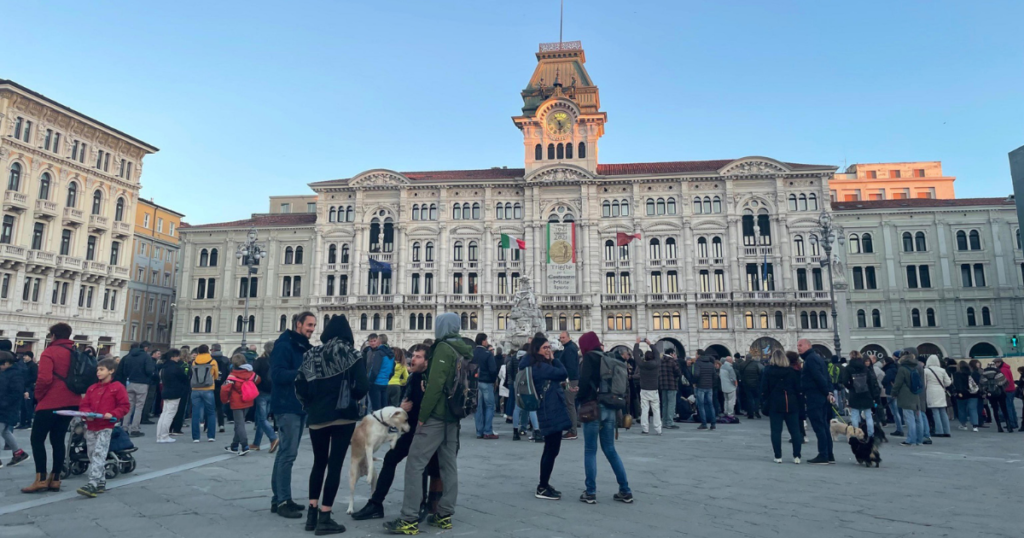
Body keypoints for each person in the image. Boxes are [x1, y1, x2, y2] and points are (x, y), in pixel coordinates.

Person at [384, 313, 467, 535]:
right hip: (453, 416)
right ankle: (444, 514)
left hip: (437, 415)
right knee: (448, 465)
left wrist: (423, 415)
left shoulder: (442, 349)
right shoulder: (464, 348)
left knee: (414, 463)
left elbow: (435, 386)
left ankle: (409, 518)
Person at [295, 315, 368, 535]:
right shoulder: (352, 354)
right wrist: (352, 397)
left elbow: (299, 384)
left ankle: (312, 513)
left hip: (317, 416)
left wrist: (310, 405)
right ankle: (325, 517)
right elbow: (363, 386)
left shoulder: (311, 354)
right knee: (334, 465)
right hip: (343, 416)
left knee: (318, 463)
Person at [352, 344, 437, 520]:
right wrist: (401, 408)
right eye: (413, 355)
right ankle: (376, 504)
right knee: (391, 459)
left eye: (418, 357)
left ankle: (422, 504)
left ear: (427, 362)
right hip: (410, 430)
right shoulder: (414, 377)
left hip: (425, 431)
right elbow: (406, 405)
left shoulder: (429, 380)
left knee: (421, 465)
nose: (413, 359)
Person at [23, 323, 82, 493]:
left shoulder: (49, 352)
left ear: (54, 335)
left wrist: (38, 396)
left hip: (51, 401)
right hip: (72, 401)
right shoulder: (75, 352)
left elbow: (44, 379)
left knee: (37, 438)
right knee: (58, 439)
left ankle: (40, 478)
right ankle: (55, 479)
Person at [576, 332, 633, 504]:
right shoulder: (607, 357)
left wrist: (579, 396)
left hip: (593, 408)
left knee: (590, 450)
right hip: (610, 407)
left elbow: (585, 383)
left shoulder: (589, 358)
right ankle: (625, 490)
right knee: (610, 449)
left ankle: (591, 491)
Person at [271, 312, 315, 519]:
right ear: (298, 324)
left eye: (314, 325)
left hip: (299, 405)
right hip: (286, 405)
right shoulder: (284, 345)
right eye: (309, 325)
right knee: (287, 454)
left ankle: (279, 498)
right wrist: (301, 373)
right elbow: (277, 374)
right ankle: (282, 501)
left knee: (286, 454)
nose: (312, 329)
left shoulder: (304, 346)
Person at [75, 358, 130, 498]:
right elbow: (84, 404)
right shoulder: (92, 388)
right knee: (92, 453)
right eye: (98, 370)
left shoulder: (117, 387)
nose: (98, 372)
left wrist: (113, 414)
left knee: (100, 453)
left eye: (101, 369)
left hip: (106, 426)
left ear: (111, 371)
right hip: (91, 426)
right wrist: (87, 414)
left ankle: (92, 483)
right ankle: (101, 481)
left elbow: (124, 406)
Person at [528, 333, 571, 500]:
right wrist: (554, 358)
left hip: (550, 408)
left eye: (549, 347)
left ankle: (544, 483)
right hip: (549, 410)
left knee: (551, 449)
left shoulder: (538, 365)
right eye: (545, 348)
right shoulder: (540, 367)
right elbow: (562, 373)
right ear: (537, 350)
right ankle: (542, 486)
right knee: (551, 450)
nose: (548, 350)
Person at [761, 349, 802, 464]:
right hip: (791, 402)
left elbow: (764, 388)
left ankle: (778, 456)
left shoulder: (768, 371)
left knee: (776, 431)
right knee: (795, 431)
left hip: (775, 402)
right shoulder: (791, 371)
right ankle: (797, 456)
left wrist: (765, 400)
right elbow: (798, 388)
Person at [798, 339, 833, 464]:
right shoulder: (817, 358)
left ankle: (823, 454)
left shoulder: (810, 359)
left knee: (819, 426)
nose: (798, 347)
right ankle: (829, 454)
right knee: (824, 425)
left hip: (815, 396)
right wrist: (829, 392)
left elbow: (818, 377)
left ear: (808, 346)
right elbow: (826, 376)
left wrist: (826, 391)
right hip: (821, 396)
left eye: (800, 345)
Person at [221, 354, 260, 456]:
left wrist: (224, 400)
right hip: (248, 400)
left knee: (239, 424)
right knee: (239, 423)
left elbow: (225, 389)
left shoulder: (232, 375)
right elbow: (258, 380)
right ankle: (234, 445)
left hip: (237, 401)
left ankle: (244, 445)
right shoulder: (251, 373)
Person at [116, 341, 155, 437]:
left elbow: (124, 371)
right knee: (139, 407)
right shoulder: (146, 357)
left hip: (130, 382)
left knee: (129, 406)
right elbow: (149, 370)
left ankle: (124, 427)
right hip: (142, 383)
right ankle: (135, 428)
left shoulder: (128, 356)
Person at [0, 351, 30, 467]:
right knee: (6, 432)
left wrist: (3, 403)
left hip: (7, 408)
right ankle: (19, 453)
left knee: (3, 430)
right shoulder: (5, 372)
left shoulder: (15, 374)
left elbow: (16, 393)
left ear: (7, 363)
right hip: (4, 406)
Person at [840, 354, 880, 438]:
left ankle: (855, 433)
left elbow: (844, 381)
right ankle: (870, 434)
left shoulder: (848, 368)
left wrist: (850, 387)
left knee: (855, 415)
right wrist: (873, 396)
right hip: (866, 394)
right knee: (868, 415)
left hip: (854, 394)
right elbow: (870, 383)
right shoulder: (865, 368)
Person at [891, 349, 924, 446]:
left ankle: (911, 440)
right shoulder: (916, 367)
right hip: (916, 395)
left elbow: (898, 383)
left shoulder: (902, 369)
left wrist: (893, 392)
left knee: (910, 419)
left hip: (906, 396)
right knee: (918, 419)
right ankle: (919, 440)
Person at [157, 349, 189, 443]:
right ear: (173, 357)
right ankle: (164, 436)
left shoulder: (164, 367)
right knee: (169, 415)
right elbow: (184, 378)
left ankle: (160, 435)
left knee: (164, 414)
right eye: (177, 356)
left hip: (165, 391)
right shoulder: (176, 367)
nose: (179, 358)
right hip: (175, 392)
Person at [252, 340, 278, 452]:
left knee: (262, 419)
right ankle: (256, 443)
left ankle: (273, 438)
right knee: (263, 418)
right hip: (274, 392)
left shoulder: (260, 361)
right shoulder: (278, 360)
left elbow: (253, 374)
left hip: (261, 391)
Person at [190, 345, 220, 443]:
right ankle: (211, 436)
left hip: (195, 389)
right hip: (208, 388)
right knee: (211, 412)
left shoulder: (194, 361)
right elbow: (215, 375)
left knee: (195, 413)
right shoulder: (212, 361)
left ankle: (196, 437)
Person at [472, 333, 499, 439]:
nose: (487, 342)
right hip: (486, 382)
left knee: (478, 407)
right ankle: (487, 430)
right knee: (489, 406)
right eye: (486, 340)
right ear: (483, 341)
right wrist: (493, 380)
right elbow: (493, 369)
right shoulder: (487, 354)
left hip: (475, 383)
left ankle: (479, 431)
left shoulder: (472, 353)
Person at [511, 349, 541, 442]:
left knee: (517, 408)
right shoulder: (529, 365)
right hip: (528, 387)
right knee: (532, 409)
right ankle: (536, 431)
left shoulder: (518, 366)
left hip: (518, 386)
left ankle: (515, 431)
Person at [633, 339, 661, 435]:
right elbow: (657, 353)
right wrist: (650, 344)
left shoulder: (642, 365)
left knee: (644, 409)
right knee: (656, 410)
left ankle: (645, 428)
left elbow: (635, 355)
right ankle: (658, 429)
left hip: (644, 389)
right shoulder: (657, 363)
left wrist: (637, 344)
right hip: (654, 389)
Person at [558, 331, 580, 440]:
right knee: (569, 403)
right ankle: (571, 428)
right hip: (570, 379)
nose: (561, 339)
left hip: (570, 380)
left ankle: (573, 431)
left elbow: (570, 367)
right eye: (560, 338)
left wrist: (567, 382)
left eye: (563, 337)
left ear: (568, 337)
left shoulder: (570, 349)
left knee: (570, 404)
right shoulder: (569, 348)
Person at [923, 355, 952, 438]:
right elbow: (948, 382)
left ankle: (939, 431)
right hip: (941, 392)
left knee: (935, 412)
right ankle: (947, 431)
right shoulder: (942, 370)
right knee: (943, 411)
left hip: (931, 392)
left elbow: (924, 384)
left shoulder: (926, 371)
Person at [981, 359, 1013, 432]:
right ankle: (1009, 426)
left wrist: (986, 391)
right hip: (1000, 393)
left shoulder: (984, 374)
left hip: (990, 394)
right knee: (1004, 409)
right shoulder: (998, 372)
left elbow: (982, 384)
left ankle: (999, 427)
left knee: (995, 410)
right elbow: (1004, 382)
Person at [365, 333, 394, 412]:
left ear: (379, 341)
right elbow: (392, 371)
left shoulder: (379, 352)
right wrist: (387, 379)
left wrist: (370, 383)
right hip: (385, 383)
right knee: (383, 408)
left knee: (376, 409)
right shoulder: (390, 353)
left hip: (376, 383)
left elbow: (375, 370)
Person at [691, 350, 717, 430]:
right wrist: (711, 383)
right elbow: (715, 376)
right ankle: (713, 424)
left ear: (698, 355)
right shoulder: (711, 364)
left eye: (696, 354)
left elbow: (696, 374)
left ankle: (704, 423)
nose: (695, 356)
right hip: (709, 387)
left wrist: (694, 382)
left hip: (701, 386)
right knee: (710, 405)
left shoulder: (697, 363)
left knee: (701, 405)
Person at [952, 360, 980, 432]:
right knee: (973, 409)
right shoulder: (972, 373)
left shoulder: (957, 374)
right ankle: (975, 426)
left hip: (962, 394)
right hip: (973, 394)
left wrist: (958, 392)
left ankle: (963, 424)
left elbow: (957, 385)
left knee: (962, 409)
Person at [209, 344, 231, 433]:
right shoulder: (226, 360)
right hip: (222, 385)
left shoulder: (209, 359)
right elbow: (229, 373)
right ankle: (221, 424)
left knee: (210, 407)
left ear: (213, 350)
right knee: (220, 407)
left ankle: (208, 426)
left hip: (211, 385)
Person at [992, 357, 1017, 431]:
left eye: (995, 363)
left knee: (1008, 407)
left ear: (998, 362)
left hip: (1007, 390)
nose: (995, 365)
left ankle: (1011, 423)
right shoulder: (1006, 368)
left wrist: (1003, 390)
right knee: (1011, 407)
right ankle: (1014, 422)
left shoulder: (1003, 370)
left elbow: (1005, 381)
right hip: (1011, 389)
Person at [881, 357, 904, 436]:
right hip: (897, 391)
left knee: (895, 411)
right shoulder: (896, 368)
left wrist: (884, 384)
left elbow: (885, 380)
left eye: (883, 362)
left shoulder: (889, 370)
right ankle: (899, 428)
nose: (882, 364)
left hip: (891, 391)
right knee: (897, 411)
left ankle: (899, 429)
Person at [739, 353, 763, 419]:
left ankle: (750, 414)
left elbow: (740, 374)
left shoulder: (742, 364)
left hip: (746, 384)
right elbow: (760, 372)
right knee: (756, 398)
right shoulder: (756, 364)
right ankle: (757, 411)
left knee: (749, 399)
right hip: (756, 384)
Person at [17, 350, 37, 430]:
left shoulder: (33, 366)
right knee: (22, 406)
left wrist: (26, 382)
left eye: (26, 356)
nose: (24, 357)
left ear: (30, 357)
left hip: (29, 387)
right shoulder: (24, 365)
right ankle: (22, 422)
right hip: (23, 387)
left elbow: (34, 377)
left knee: (28, 405)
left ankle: (28, 422)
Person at [720, 354, 738, 419]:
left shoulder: (722, 367)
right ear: (730, 361)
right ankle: (730, 413)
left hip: (724, 387)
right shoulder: (730, 368)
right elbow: (733, 378)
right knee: (731, 401)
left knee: (726, 400)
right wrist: (735, 385)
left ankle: (726, 412)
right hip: (730, 387)